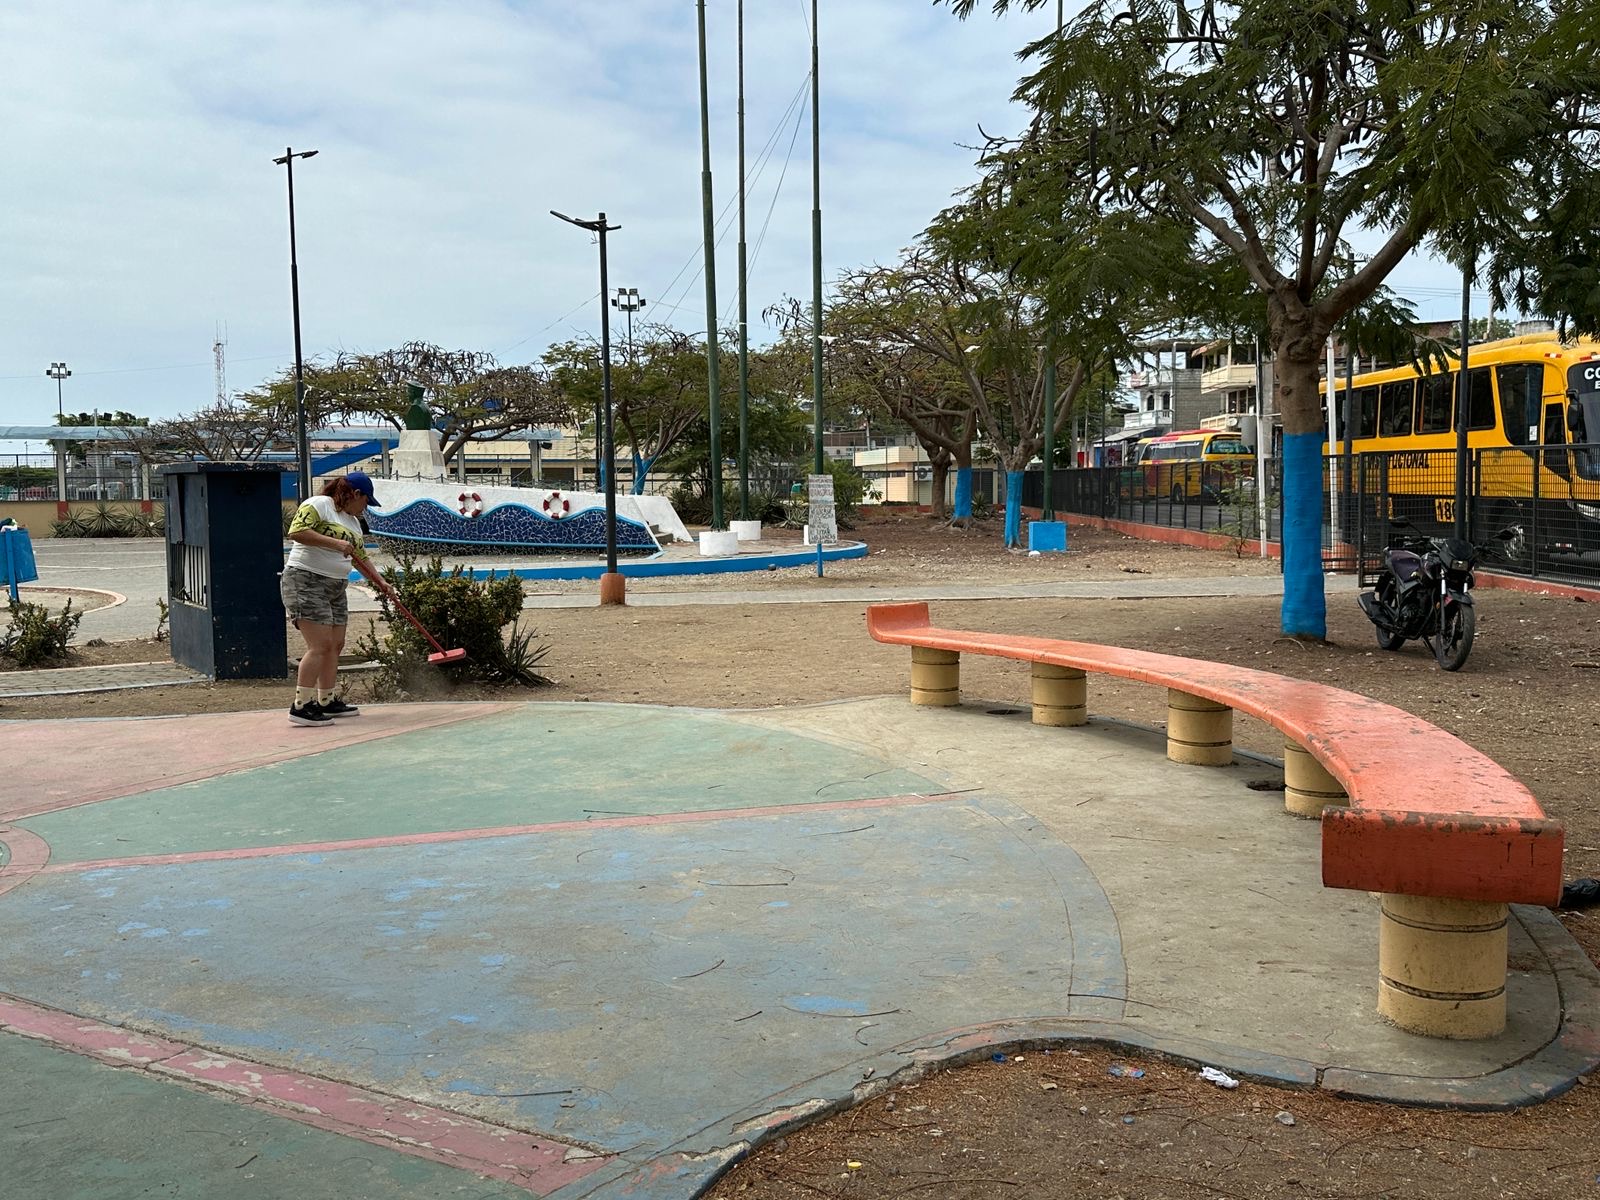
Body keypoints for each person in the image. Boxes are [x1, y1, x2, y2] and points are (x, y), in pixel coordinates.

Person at [280, 470, 396, 727]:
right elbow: (296, 531)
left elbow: (361, 558)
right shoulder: (319, 504)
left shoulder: (352, 523)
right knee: (319, 645)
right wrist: (335, 544)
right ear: (355, 494)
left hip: (335, 586)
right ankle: (301, 705)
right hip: (306, 580)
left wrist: (380, 582)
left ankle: (326, 699)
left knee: (335, 644)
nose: (366, 508)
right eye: (366, 501)